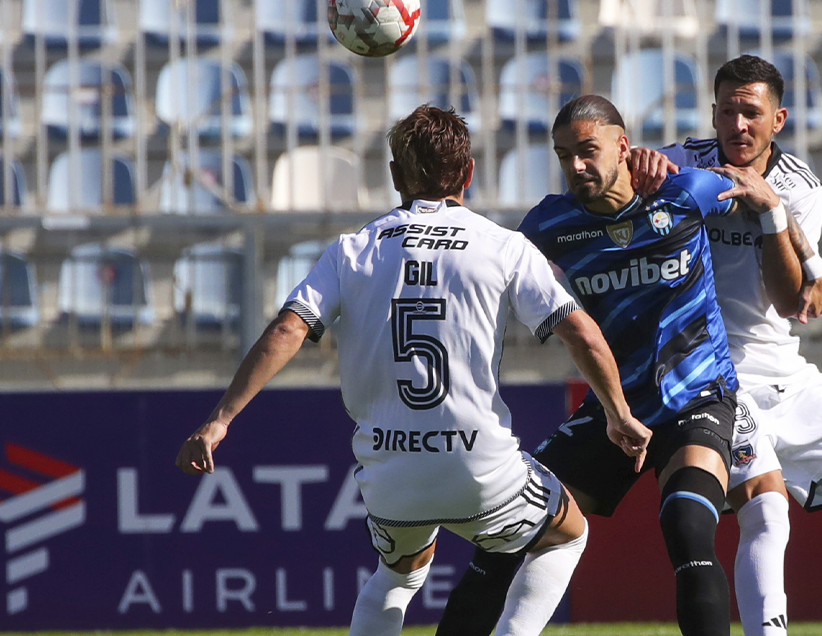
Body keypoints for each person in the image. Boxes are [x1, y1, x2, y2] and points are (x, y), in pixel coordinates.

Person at [174, 105, 652, 636]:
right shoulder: (503, 246)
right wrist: (619, 414)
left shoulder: (351, 250)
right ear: (468, 174)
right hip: (479, 466)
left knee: (397, 575)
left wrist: (220, 419)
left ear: (396, 175)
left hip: (391, 469)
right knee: (565, 534)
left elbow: (287, 330)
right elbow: (582, 332)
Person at [631, 54, 822, 636]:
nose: (737, 125)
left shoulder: (799, 187)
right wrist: (637, 166)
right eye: (727, 111)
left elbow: (790, 301)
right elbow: (612, 184)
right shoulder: (679, 163)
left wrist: (769, 211)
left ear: (779, 119)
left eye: (751, 112)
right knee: (768, 514)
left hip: (787, 376)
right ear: (714, 115)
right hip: (712, 378)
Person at [438, 94, 770, 636]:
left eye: (588, 151)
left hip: (698, 398)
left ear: (623, 145)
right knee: (505, 535)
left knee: (687, 525)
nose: (576, 166)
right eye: (564, 154)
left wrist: (790, 232)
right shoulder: (549, 224)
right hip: (614, 410)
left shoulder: (686, 192)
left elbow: (753, 188)